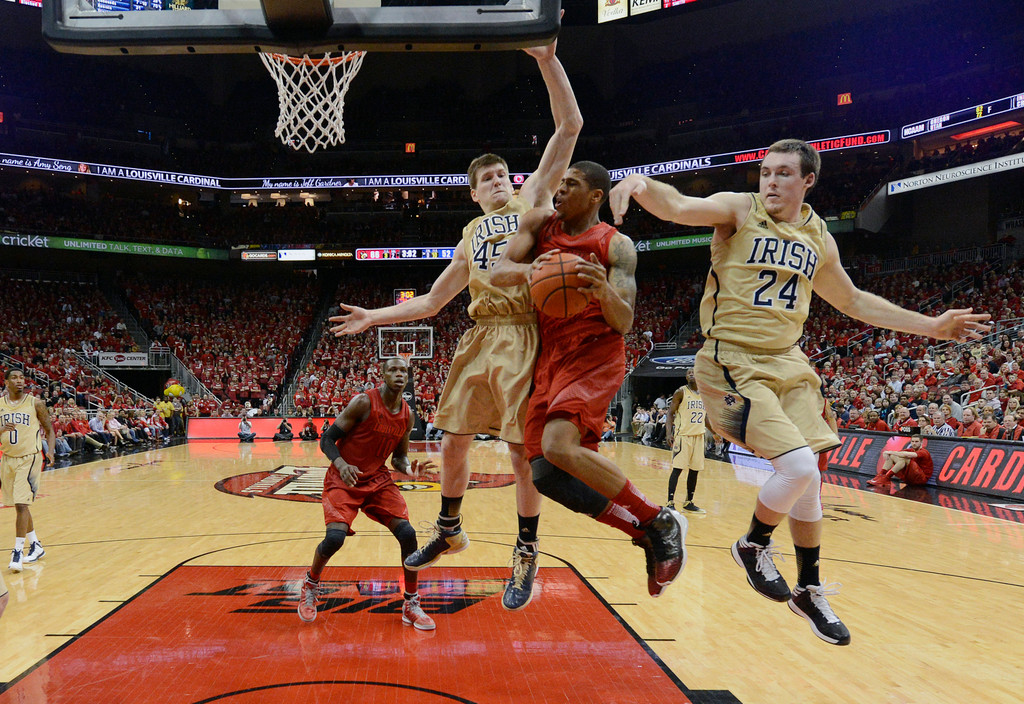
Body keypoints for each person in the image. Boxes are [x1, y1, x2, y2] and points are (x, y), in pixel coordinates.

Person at [610, 138, 990, 645]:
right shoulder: (739, 210)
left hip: (789, 363)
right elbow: (679, 206)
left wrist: (932, 326)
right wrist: (641, 185)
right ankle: (753, 544)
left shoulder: (819, 238)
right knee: (798, 468)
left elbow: (853, 301)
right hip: (732, 360)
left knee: (811, 477)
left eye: (784, 173)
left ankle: (809, 588)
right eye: (766, 172)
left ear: (808, 180)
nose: (770, 181)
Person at [326, 38, 582, 612]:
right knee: (451, 440)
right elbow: (433, 302)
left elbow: (569, 126)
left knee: (520, 456)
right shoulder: (470, 235)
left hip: (525, 333)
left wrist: (546, 59)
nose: (496, 182)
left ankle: (525, 551)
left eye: (501, 175)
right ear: (472, 193)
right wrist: (374, 317)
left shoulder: (534, 203)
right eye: (485, 179)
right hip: (480, 336)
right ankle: (449, 527)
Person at [490, 160, 687, 599]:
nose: (559, 191)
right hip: (551, 356)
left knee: (560, 445)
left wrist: (602, 290)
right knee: (545, 474)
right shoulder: (540, 224)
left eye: (571, 185)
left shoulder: (616, 246)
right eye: (559, 184)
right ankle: (643, 534)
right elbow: (499, 271)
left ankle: (658, 519)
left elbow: (625, 321)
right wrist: (544, 269)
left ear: (596, 195)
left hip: (596, 353)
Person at [297, 358, 437, 629]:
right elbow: (327, 439)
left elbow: (399, 459)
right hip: (343, 478)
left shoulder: (407, 415)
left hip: (377, 480)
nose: (399, 374)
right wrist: (341, 463)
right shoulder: (363, 402)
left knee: (408, 534)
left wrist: (410, 469)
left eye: (403, 371)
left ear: (408, 377)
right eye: (393, 370)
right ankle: (310, 583)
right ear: (383, 374)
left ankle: (410, 603)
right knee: (335, 538)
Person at [2, 369, 55, 572]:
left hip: (30, 458)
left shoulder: (35, 403)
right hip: (8, 458)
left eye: (22, 378)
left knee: (22, 504)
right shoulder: (0, 405)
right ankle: (36, 545)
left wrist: (50, 451)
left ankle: (17, 551)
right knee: (19, 505)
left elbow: (49, 430)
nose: (19, 381)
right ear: (6, 382)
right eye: (14, 378)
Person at [666, 369, 708, 514]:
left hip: (699, 436)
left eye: (693, 372)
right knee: (677, 469)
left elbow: (705, 417)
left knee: (695, 470)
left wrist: (714, 433)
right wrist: (668, 433)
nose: (691, 374)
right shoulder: (681, 392)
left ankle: (689, 502)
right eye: (688, 373)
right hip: (683, 436)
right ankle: (670, 502)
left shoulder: (704, 394)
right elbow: (670, 413)